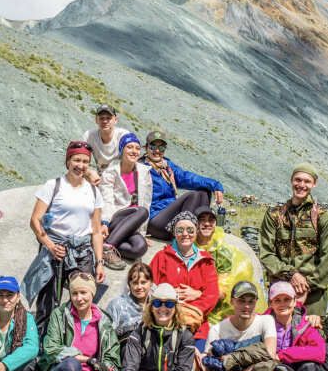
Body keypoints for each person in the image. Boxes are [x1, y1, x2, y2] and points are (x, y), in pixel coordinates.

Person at [23, 140, 106, 337]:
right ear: (68, 161)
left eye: (86, 162)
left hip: (82, 250)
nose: (81, 165)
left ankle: (78, 340)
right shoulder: (53, 186)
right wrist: (50, 246)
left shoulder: (93, 191)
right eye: (76, 160)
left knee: (84, 298)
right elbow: (35, 220)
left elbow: (95, 230)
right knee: (48, 302)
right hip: (56, 248)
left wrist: (100, 262)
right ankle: (43, 345)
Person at [32, 272, 121, 371]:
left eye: (83, 292)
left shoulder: (104, 321)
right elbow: (51, 349)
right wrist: (88, 359)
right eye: (74, 293)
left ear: (92, 294)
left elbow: (112, 355)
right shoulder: (59, 314)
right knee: (72, 366)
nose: (79, 298)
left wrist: (107, 367)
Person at [259, 163, 328, 316]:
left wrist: (306, 286)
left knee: (310, 337)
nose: (301, 185)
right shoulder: (274, 215)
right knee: (278, 336)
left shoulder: (323, 217)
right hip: (280, 292)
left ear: (314, 184)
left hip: (313, 296)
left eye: (307, 181)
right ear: (291, 181)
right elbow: (266, 254)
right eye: (298, 180)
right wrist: (291, 274)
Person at [150, 211, 220, 352]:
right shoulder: (161, 257)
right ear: (174, 233)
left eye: (190, 230)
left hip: (197, 326)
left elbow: (212, 294)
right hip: (166, 321)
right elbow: (151, 287)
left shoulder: (206, 261)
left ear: (196, 231)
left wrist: (198, 299)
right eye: (180, 230)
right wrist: (170, 302)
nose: (185, 234)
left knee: (196, 363)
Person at [140, 131, 225, 240]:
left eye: (161, 148)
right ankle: (184, 239)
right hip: (155, 220)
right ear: (146, 147)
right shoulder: (141, 167)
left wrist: (215, 185)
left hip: (171, 216)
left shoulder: (167, 166)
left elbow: (187, 178)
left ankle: (201, 235)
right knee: (191, 196)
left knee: (204, 191)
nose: (157, 151)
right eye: (153, 147)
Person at [194, 206, 267, 320]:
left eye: (211, 220)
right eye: (202, 219)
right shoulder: (187, 247)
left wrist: (197, 294)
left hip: (216, 307)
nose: (207, 223)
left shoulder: (222, 252)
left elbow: (222, 292)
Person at [99, 132, 153, 269]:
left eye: (137, 148)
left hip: (131, 222)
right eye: (129, 147)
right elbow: (107, 200)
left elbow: (146, 200)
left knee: (140, 247)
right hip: (114, 218)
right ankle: (107, 248)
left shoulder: (144, 172)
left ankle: (103, 244)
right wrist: (105, 222)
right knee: (142, 211)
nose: (134, 151)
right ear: (122, 150)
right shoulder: (111, 172)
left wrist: (142, 232)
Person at [106, 261, 153, 343]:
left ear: (151, 283)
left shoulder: (157, 305)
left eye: (143, 282)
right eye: (135, 283)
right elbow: (107, 335)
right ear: (129, 284)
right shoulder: (117, 305)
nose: (139, 287)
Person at [81, 104, 130, 182]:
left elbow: (132, 160)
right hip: (98, 176)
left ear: (115, 120)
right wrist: (89, 172)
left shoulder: (124, 136)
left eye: (108, 118)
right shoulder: (89, 136)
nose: (105, 121)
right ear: (96, 120)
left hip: (119, 176)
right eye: (101, 118)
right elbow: (79, 158)